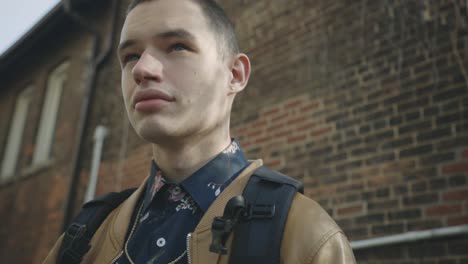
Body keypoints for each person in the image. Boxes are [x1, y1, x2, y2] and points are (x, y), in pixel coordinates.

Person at [43, 0, 356, 263]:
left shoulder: (306, 236)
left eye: (177, 46)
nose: (142, 69)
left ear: (234, 74)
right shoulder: (84, 236)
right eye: (131, 56)